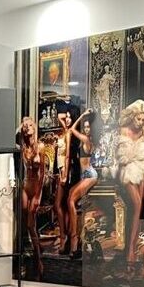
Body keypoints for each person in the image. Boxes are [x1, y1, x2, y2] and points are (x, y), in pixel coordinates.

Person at [115, 100, 144, 269]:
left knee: (138, 211)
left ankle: (131, 248)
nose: (140, 122)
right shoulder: (124, 130)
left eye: (142, 120)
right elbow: (122, 158)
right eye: (138, 119)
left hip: (142, 170)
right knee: (137, 205)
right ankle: (130, 251)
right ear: (132, 117)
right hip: (127, 171)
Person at [67, 109, 99, 258]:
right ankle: (76, 240)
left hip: (89, 175)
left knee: (71, 201)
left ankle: (74, 239)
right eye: (85, 127)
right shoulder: (87, 139)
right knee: (71, 198)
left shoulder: (86, 140)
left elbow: (72, 129)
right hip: (86, 175)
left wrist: (81, 116)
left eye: (88, 127)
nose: (86, 129)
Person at [20, 116, 47, 278]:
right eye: (25, 126)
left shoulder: (41, 147)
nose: (27, 127)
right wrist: (21, 127)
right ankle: (28, 254)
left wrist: (38, 196)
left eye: (30, 125)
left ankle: (38, 260)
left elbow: (42, 174)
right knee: (24, 224)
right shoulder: (23, 148)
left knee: (31, 225)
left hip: (36, 187)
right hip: (25, 186)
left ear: (35, 127)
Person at [54, 107, 79, 253]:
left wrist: (64, 174)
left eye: (70, 117)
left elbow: (68, 155)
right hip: (60, 170)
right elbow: (59, 116)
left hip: (65, 170)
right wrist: (70, 114)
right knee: (61, 205)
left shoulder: (69, 133)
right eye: (67, 117)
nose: (67, 119)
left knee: (58, 205)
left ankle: (64, 237)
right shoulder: (66, 130)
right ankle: (65, 237)